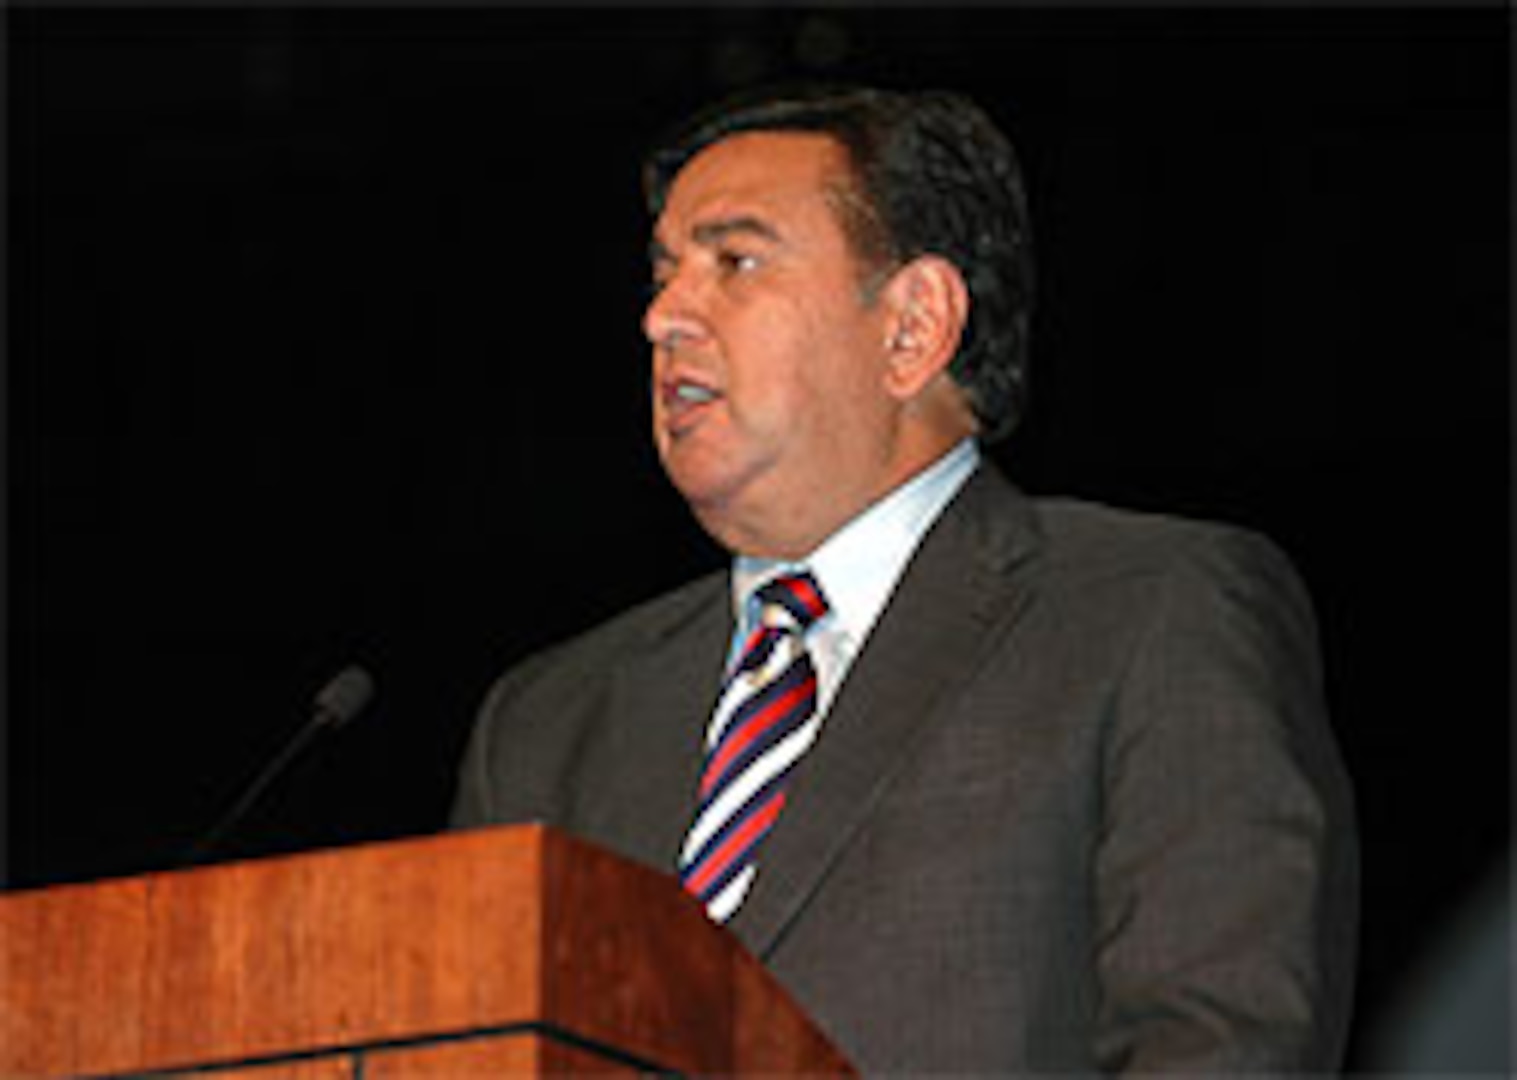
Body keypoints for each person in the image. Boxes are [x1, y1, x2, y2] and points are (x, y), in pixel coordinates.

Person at [451, 83, 1359, 1074]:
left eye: (734, 261)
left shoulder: (1148, 611)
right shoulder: (549, 722)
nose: (661, 316)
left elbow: (1220, 1043)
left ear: (912, 325)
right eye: (663, 271)